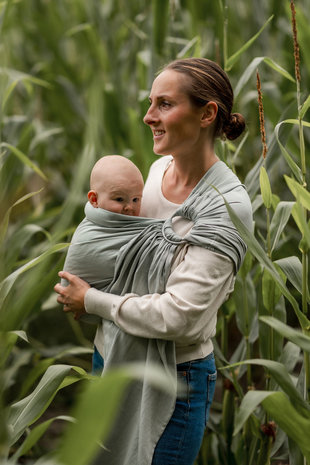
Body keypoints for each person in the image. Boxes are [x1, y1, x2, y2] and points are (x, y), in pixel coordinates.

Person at [55, 57, 253, 465]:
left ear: (207, 113)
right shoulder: (156, 171)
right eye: (150, 103)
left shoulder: (226, 206)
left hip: (173, 378)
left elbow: (181, 316)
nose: (148, 116)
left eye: (164, 104)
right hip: (111, 354)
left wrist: (91, 301)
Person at [60, 154, 145, 370]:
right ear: (94, 200)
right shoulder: (93, 231)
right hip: (108, 340)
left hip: (124, 331)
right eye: (120, 200)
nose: (130, 208)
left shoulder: (132, 226)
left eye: (136, 199)